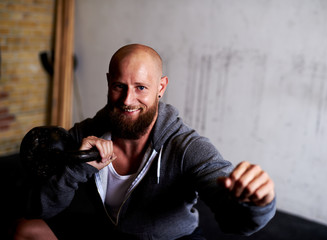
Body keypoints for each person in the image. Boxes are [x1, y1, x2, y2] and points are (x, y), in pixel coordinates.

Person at [13, 44, 276, 240]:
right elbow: (37, 208)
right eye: (119, 86)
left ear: (161, 88)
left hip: (173, 239)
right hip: (113, 233)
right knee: (28, 229)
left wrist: (257, 203)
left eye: (140, 87)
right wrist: (76, 167)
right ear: (108, 83)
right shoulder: (88, 133)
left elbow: (236, 221)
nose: (127, 100)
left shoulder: (186, 147)